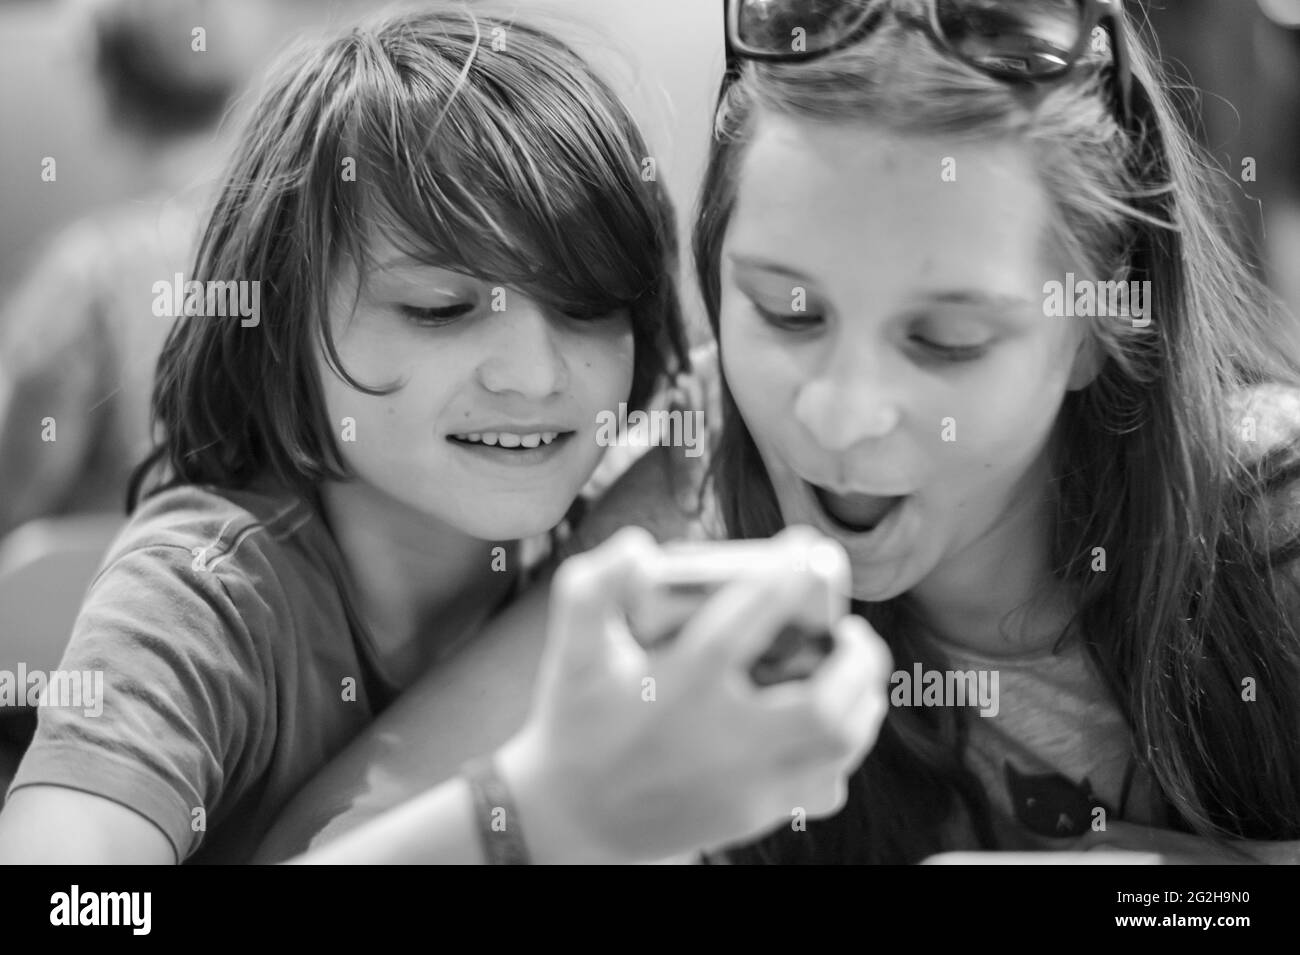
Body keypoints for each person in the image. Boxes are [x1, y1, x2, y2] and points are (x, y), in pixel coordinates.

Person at [262, 0, 1300, 865]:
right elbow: (320, 846)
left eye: (943, 339)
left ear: (1095, 325)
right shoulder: (696, 493)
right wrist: (545, 810)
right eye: (789, 313)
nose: (838, 416)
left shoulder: (1271, 525)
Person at [0, 5, 891, 864]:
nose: (535, 376)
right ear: (279, 333)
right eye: (440, 309)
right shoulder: (202, 596)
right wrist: (528, 814)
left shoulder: (593, 541)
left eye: (587, 309)